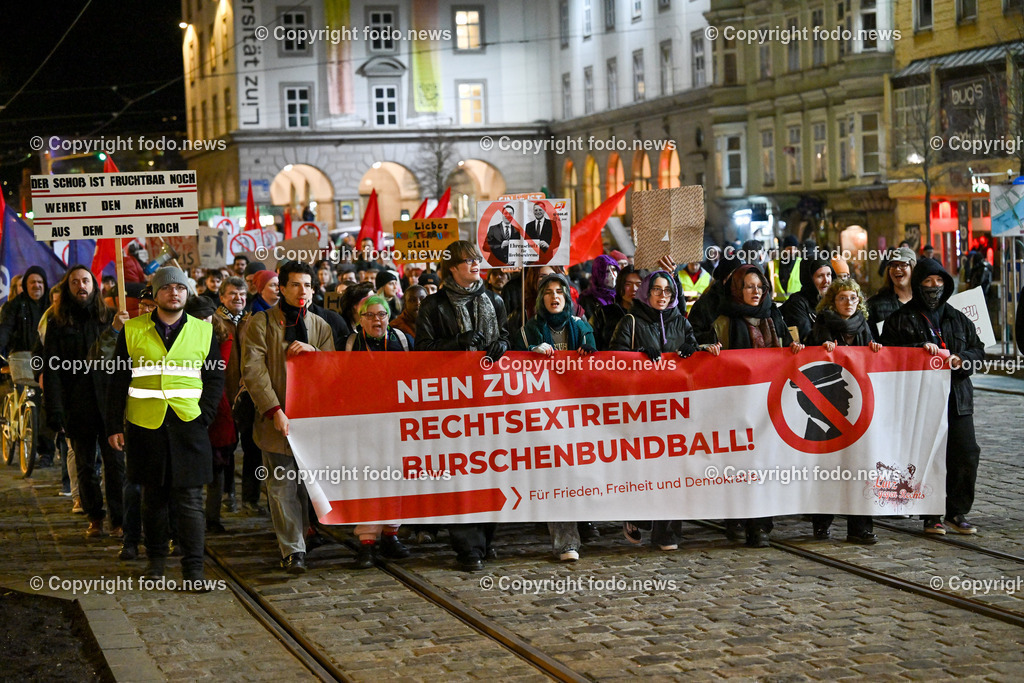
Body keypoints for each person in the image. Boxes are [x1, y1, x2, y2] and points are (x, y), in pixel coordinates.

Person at [105, 267, 224, 589]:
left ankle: (193, 570)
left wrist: (205, 415)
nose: (174, 292)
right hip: (146, 426)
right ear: (155, 294)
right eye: (167, 288)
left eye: (180, 288)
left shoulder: (203, 331)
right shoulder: (132, 331)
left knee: (189, 503)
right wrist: (115, 424)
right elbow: (117, 381)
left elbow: (214, 378)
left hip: (189, 425)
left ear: (188, 294)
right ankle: (155, 564)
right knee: (153, 501)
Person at [610, 270, 720, 551]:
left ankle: (667, 532)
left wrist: (692, 348)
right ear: (646, 292)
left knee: (672, 470)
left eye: (668, 291)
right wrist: (638, 354)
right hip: (639, 410)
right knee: (644, 469)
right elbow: (613, 360)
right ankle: (637, 516)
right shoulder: (630, 321)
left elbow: (692, 350)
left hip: (674, 409)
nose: (662, 296)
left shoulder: (681, 322)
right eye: (657, 290)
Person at [416, 241, 509, 571]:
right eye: (468, 261)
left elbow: (507, 334)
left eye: (476, 260)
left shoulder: (493, 299)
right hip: (451, 403)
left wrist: (502, 344)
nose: (475, 265)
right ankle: (468, 546)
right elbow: (422, 351)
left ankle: (487, 539)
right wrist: (457, 343)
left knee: (491, 469)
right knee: (460, 475)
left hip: (490, 401)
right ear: (451, 268)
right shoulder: (432, 306)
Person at [242, 261, 335, 574]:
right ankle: (293, 550)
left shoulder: (321, 326)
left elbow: (333, 373)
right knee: (281, 487)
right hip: (277, 420)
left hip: (313, 423)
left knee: (304, 487)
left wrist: (314, 352)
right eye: (296, 285)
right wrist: (274, 410)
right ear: (280, 288)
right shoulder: (261, 323)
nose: (303, 291)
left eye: (307, 285)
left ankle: (303, 535)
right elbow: (254, 371)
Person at [880, 258, 984, 535]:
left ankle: (956, 511)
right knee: (929, 456)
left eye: (939, 281)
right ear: (918, 284)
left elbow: (979, 351)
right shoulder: (899, 320)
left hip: (958, 399)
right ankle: (931, 514)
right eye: (927, 281)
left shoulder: (957, 317)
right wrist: (918, 350)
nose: (933, 286)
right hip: (921, 403)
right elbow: (888, 360)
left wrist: (961, 359)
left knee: (966, 454)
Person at [710, 264, 802, 547]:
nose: (755, 291)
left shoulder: (774, 315)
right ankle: (740, 519)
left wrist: (795, 348)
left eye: (760, 286)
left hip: (771, 405)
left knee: (766, 465)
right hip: (737, 407)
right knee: (742, 467)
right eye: (749, 286)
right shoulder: (723, 321)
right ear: (737, 289)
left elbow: (790, 345)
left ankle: (762, 524)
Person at [513, 274, 597, 561]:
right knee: (556, 478)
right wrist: (528, 354)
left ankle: (585, 523)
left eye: (560, 291)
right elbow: (511, 366)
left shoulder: (581, 327)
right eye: (548, 292)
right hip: (544, 419)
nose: (554, 296)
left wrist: (589, 350)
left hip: (580, 416)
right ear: (540, 299)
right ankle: (566, 542)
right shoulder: (529, 331)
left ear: (568, 297)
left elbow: (597, 361)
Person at [44, 266, 124, 539]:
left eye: (86, 281)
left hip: (109, 403)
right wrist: (54, 409)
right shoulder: (58, 322)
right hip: (77, 405)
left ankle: (119, 519)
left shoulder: (110, 318)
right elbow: (51, 369)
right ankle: (95, 517)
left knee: (116, 464)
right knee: (86, 465)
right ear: (68, 287)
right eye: (75, 282)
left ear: (94, 285)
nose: (81, 286)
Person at [805, 278, 881, 544]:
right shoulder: (821, 325)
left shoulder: (864, 326)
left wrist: (875, 351)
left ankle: (859, 526)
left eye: (853, 298)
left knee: (860, 465)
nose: (849, 303)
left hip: (856, 406)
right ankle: (821, 522)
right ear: (832, 301)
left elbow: (873, 365)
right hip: (826, 407)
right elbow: (805, 359)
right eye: (842, 298)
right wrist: (818, 350)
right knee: (827, 467)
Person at [344, 295, 413, 568]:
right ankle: (366, 540)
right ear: (360, 318)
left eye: (382, 314)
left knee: (396, 479)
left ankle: (391, 533)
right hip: (362, 424)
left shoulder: (403, 340)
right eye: (370, 315)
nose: (377, 320)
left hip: (396, 422)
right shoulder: (351, 343)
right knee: (368, 481)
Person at [780, 252, 833, 343]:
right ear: (808, 279)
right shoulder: (796, 303)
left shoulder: (833, 300)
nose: (826, 281)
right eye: (820, 276)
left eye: (828, 275)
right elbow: (805, 338)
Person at [866, 246, 915, 341]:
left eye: (903, 265)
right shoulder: (874, 305)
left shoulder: (924, 303)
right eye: (893, 265)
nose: (897, 269)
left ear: (913, 267)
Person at [0, 265, 50, 355]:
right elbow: (5, 330)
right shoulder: (14, 305)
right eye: (32, 282)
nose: (36, 285)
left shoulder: (54, 304)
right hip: (22, 360)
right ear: (25, 285)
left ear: (45, 285)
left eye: (40, 282)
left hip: (50, 359)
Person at [591, 265, 643, 350]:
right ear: (620, 286)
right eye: (628, 284)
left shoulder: (650, 315)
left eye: (639, 284)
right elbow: (591, 343)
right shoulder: (603, 314)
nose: (634, 289)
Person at [578, 255, 619, 320]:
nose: (612, 275)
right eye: (607, 271)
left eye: (614, 270)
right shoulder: (586, 299)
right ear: (598, 274)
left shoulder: (621, 295)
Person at [771, 236, 802, 302]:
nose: (792, 251)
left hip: (795, 304)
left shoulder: (801, 263)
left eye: (795, 248)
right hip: (778, 304)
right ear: (784, 249)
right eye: (789, 248)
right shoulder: (773, 264)